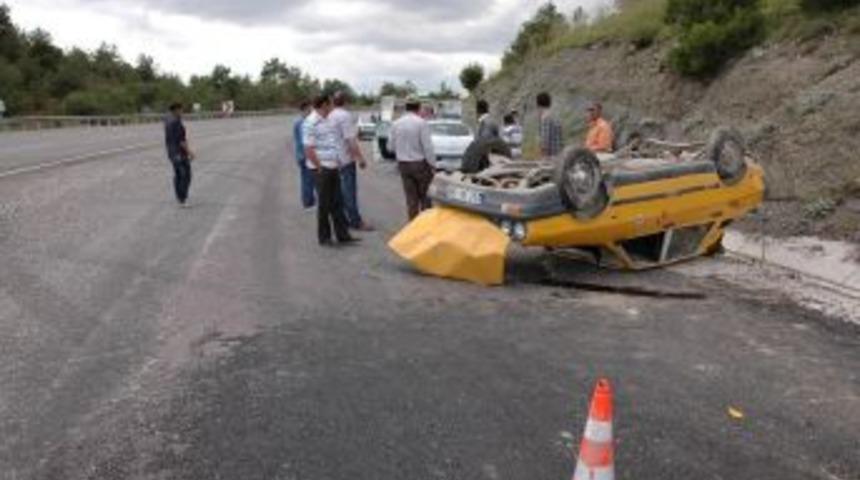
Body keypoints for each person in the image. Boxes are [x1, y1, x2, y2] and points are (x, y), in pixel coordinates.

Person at [303, 94, 357, 247]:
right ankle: (324, 237)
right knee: (325, 205)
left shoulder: (327, 120)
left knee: (338, 203)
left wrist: (337, 161)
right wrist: (320, 167)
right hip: (322, 169)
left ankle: (343, 235)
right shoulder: (311, 122)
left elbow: (331, 142)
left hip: (333, 166)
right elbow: (308, 148)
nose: (332, 107)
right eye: (330, 104)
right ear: (324, 105)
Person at [329, 91, 373, 231]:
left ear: (333, 102)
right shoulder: (344, 116)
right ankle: (355, 221)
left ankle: (343, 219)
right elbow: (350, 140)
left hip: (333, 159)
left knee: (339, 192)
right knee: (349, 192)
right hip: (345, 159)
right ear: (345, 101)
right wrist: (360, 158)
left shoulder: (330, 115)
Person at [389, 99, 436, 220]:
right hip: (419, 164)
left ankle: (413, 228)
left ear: (406, 107)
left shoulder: (396, 123)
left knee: (411, 199)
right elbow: (427, 147)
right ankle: (426, 226)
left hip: (403, 165)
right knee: (425, 198)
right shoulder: (421, 123)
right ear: (418, 108)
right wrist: (433, 165)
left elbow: (390, 147)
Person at [163, 102, 195, 207]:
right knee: (186, 175)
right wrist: (190, 152)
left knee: (178, 175)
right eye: (181, 110)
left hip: (171, 152)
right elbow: (181, 141)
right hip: (179, 153)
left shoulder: (167, 119)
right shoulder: (176, 122)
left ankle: (179, 197)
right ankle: (183, 199)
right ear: (176, 110)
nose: (182, 112)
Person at [293, 101, 316, 209]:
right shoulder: (303, 123)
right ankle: (308, 201)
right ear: (304, 109)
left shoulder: (297, 121)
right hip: (305, 155)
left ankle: (308, 200)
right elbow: (305, 142)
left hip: (300, 155)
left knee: (305, 179)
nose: (311, 111)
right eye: (309, 110)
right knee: (308, 179)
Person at [537, 92, 563, 158]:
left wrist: (543, 154)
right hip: (558, 153)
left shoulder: (545, 117)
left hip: (550, 155)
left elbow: (545, 138)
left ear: (538, 104)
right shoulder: (556, 116)